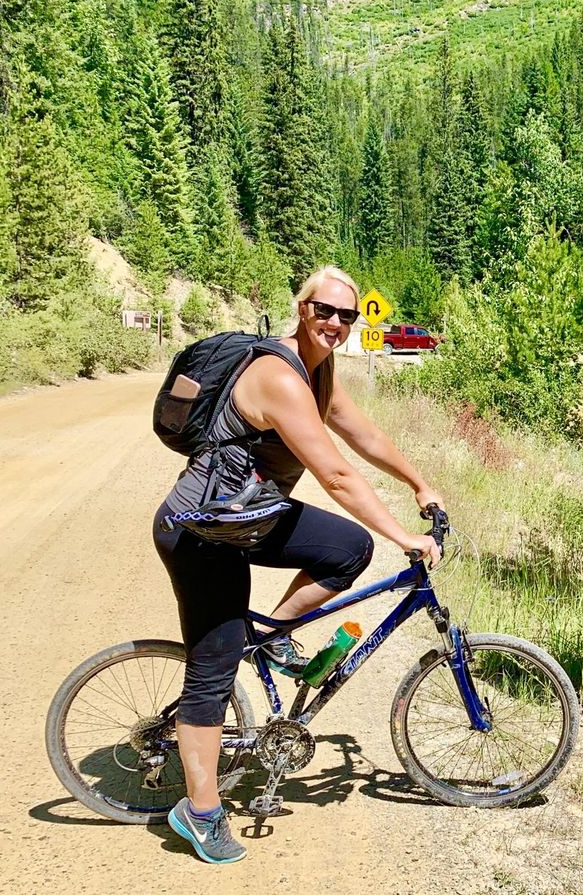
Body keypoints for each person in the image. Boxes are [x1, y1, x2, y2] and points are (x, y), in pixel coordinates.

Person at [152, 265, 442, 864]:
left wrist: (420, 484)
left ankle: (269, 636)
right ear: (301, 308)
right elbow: (336, 473)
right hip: (202, 531)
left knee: (345, 549)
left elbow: (362, 435)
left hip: (247, 517)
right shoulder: (277, 377)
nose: (335, 323)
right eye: (324, 311)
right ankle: (199, 812)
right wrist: (401, 537)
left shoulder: (319, 371)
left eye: (347, 315)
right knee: (212, 671)